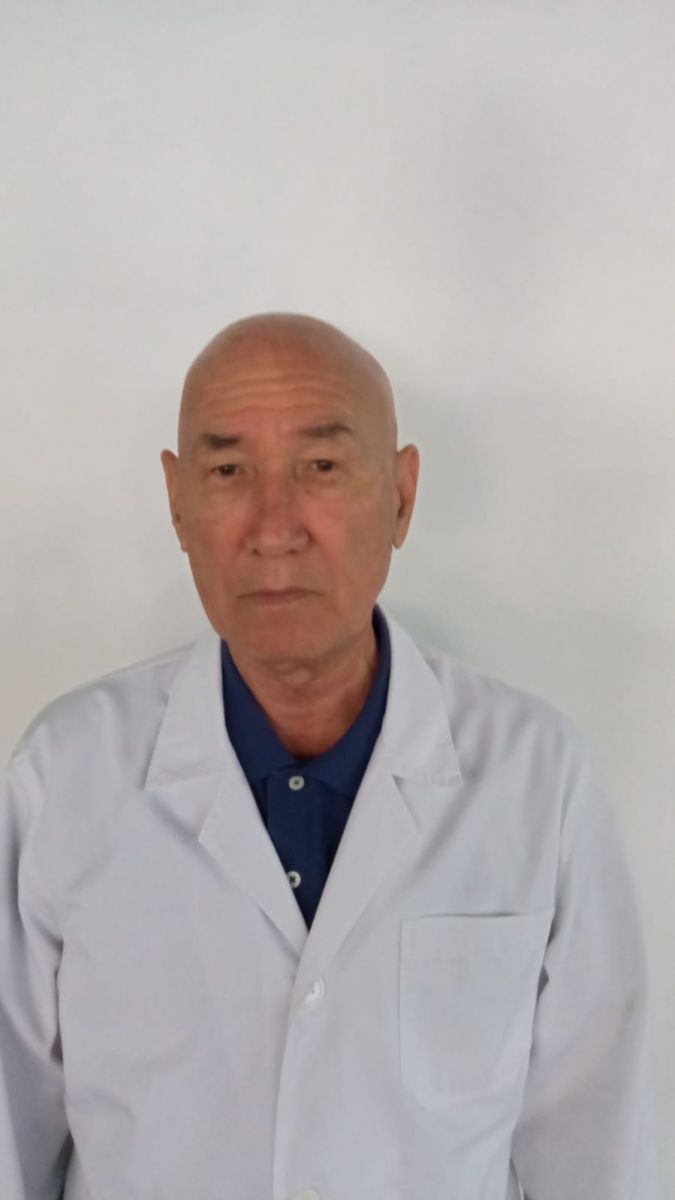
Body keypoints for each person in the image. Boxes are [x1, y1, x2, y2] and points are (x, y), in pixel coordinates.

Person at [0, 313, 660, 1199]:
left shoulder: (538, 779)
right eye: (228, 471)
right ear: (177, 501)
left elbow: (602, 1152)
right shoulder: (64, 776)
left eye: (320, 466)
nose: (274, 528)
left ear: (401, 496)